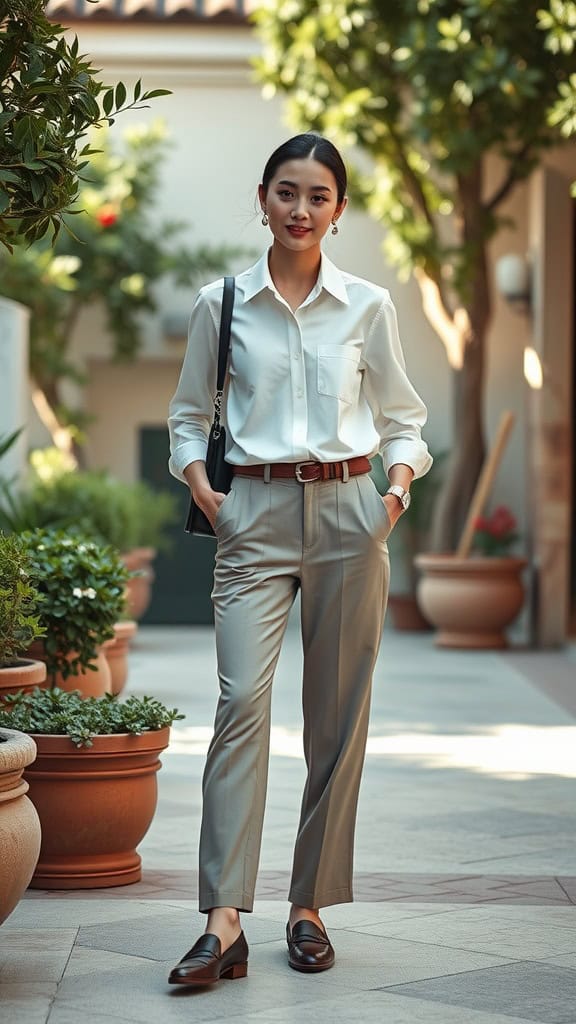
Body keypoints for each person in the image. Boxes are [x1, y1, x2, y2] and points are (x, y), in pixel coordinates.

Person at [166, 133, 432, 987]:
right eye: (287, 192)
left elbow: (404, 419)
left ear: (339, 210)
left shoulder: (367, 306)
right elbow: (183, 417)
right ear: (263, 197)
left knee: (336, 715)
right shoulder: (224, 303)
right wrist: (209, 491)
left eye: (318, 196)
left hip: (354, 512)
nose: (300, 210)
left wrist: (390, 498)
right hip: (254, 513)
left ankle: (309, 907)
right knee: (241, 702)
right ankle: (223, 921)